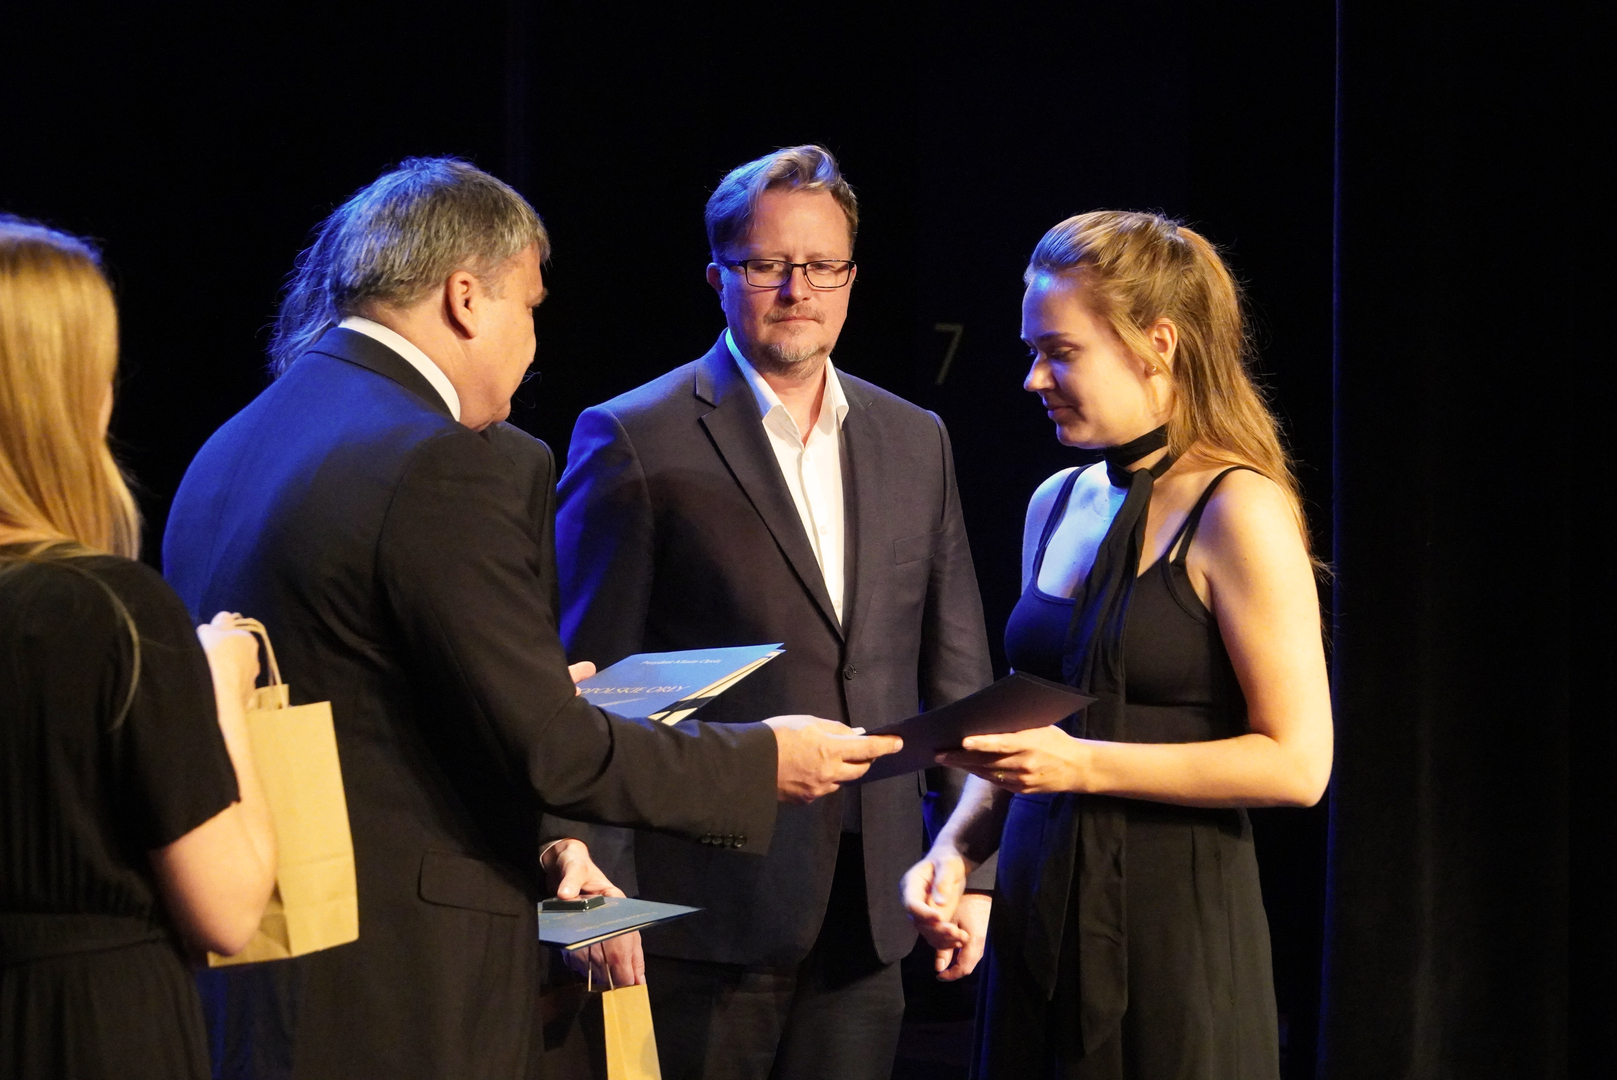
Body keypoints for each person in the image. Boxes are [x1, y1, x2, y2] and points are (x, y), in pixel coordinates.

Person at [160, 158, 897, 1080]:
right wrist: (763, 762)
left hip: (270, 964)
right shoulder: (434, 461)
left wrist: (535, 738)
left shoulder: (235, 442)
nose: (533, 340)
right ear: (466, 297)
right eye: (531, 306)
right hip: (401, 979)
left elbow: (374, 701)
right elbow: (552, 749)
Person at [554, 145, 995, 1080]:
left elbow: (958, 673)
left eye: (822, 265)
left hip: (873, 909)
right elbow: (588, 691)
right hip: (696, 914)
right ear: (717, 277)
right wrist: (590, 893)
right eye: (767, 265)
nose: (798, 289)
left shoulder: (915, 437)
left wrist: (974, 866)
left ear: (851, 278)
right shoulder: (633, 434)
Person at [902, 210, 1333, 1079]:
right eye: (1032, 351)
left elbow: (1297, 765)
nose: (1033, 378)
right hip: (1036, 908)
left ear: (1155, 344)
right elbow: (1024, 725)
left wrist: (1082, 766)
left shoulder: (1236, 509)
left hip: (1173, 927)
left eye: (1060, 352)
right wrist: (958, 852)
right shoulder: (1055, 500)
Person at [0, 217, 277, 1080]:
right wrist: (220, 689)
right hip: (90, 1031)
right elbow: (229, 909)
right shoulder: (111, 612)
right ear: (64, 394)